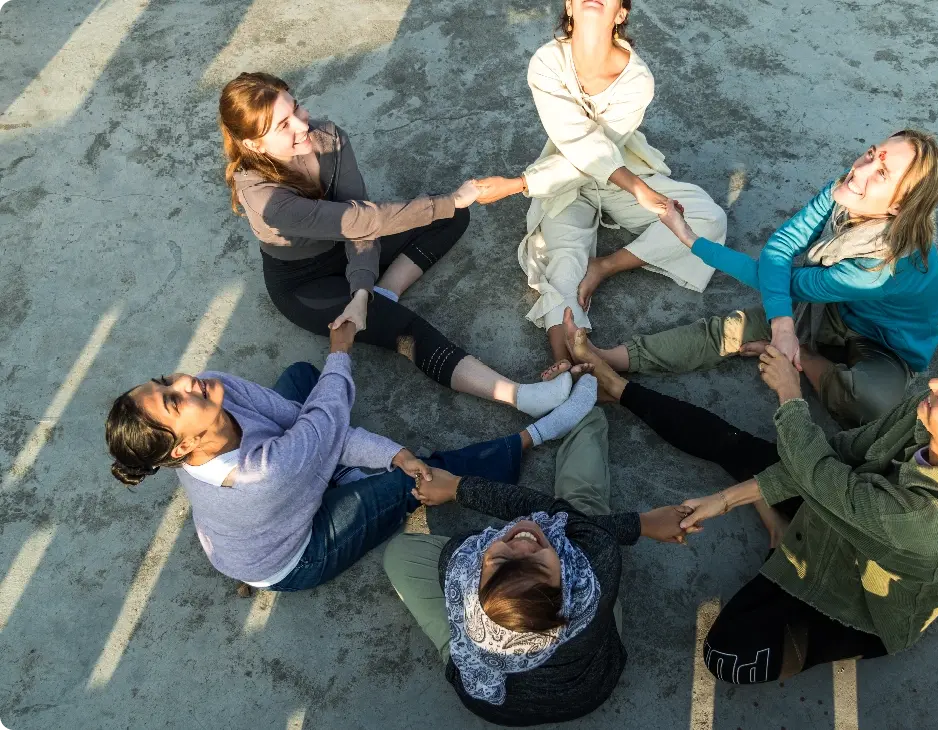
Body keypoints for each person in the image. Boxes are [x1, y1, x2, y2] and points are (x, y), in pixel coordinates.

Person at [576, 330, 938, 684]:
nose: (937, 384)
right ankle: (617, 388)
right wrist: (727, 499)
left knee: (728, 656)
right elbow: (842, 453)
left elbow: (819, 472)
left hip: (858, 595)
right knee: (744, 449)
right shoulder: (928, 411)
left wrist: (790, 395)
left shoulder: (928, 523)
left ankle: (827, 601)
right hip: (843, 501)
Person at [104, 321, 600, 592]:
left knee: (302, 378)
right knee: (420, 476)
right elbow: (323, 425)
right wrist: (340, 350)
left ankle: (336, 477)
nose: (184, 383)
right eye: (174, 402)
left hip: (289, 477)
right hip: (293, 555)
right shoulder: (260, 474)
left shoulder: (214, 387)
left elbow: (311, 425)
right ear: (182, 448)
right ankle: (538, 433)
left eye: (165, 381)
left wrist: (392, 452)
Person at [220, 71, 576, 419]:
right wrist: (449, 199)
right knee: (406, 329)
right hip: (305, 282)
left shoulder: (327, 136)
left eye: (296, 107)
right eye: (284, 125)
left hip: (351, 236)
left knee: (452, 216)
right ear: (253, 144)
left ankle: (384, 293)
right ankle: (521, 397)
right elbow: (361, 221)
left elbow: (360, 216)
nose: (302, 124)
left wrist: (363, 289)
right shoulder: (265, 199)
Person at [585, 130, 938, 428]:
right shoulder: (848, 188)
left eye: (882, 174)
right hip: (835, 308)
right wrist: (782, 324)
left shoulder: (882, 267)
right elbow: (781, 248)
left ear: (898, 207)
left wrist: (691, 239)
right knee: (732, 329)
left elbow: (781, 280)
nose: (861, 169)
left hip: (883, 344)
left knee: (870, 404)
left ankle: (803, 356)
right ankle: (612, 357)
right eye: (871, 154)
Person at [383, 408, 692, 725]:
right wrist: (643, 523)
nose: (524, 542)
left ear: (476, 580)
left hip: (498, 705)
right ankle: (586, 415)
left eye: (501, 560)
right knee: (579, 512)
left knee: (399, 553)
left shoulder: (460, 567)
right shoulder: (599, 565)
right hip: (587, 689)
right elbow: (559, 515)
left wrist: (455, 487)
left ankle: (463, 653)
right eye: (538, 565)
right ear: (565, 590)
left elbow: (542, 519)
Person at [472, 0, 728, 369]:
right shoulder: (547, 62)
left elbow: (603, 151)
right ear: (569, 6)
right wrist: (524, 182)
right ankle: (567, 364)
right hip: (565, 179)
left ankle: (604, 266)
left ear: (621, 13)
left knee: (708, 218)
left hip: (622, 172)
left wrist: (519, 184)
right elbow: (577, 144)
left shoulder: (637, 79)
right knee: (562, 263)